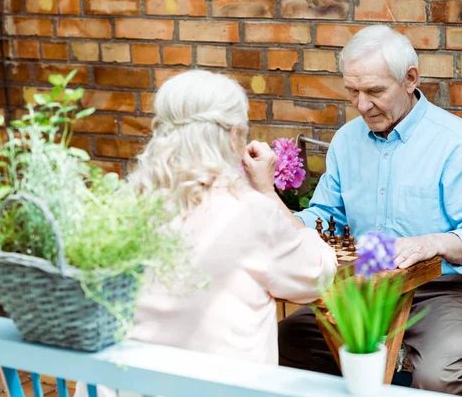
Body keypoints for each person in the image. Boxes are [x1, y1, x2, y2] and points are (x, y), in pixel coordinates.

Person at [75, 70, 337, 397]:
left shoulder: (122, 204)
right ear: (232, 138)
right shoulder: (252, 212)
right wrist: (268, 191)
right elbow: (318, 274)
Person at [278, 25, 462, 397]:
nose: (361, 105)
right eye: (352, 91)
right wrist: (279, 219)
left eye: (374, 91)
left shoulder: (457, 143)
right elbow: (325, 217)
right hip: (368, 290)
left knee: (439, 378)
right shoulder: (346, 142)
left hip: (445, 291)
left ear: (410, 79)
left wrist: (432, 242)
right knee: (285, 340)